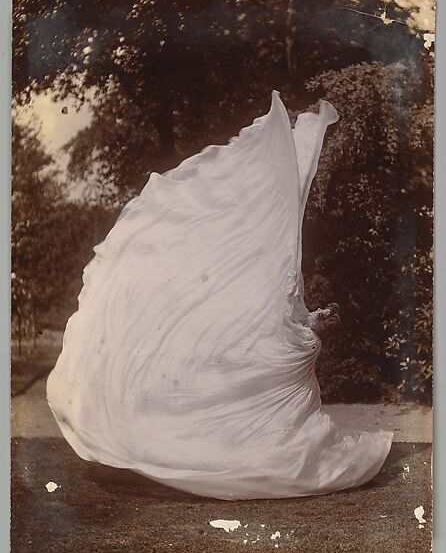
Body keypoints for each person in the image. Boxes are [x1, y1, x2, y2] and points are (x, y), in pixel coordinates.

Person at [47, 91, 392, 500]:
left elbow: (286, 305)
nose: (327, 313)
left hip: (287, 341)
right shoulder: (296, 317)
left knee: (276, 270)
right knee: (277, 257)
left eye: (326, 315)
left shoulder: (299, 329)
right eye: (326, 314)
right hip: (286, 331)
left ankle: (243, 448)